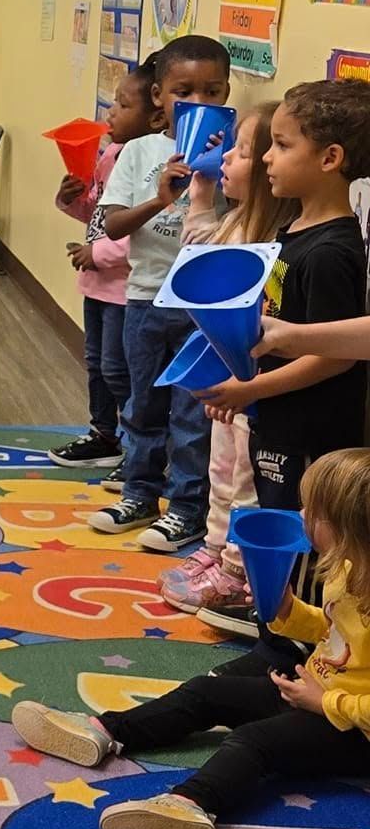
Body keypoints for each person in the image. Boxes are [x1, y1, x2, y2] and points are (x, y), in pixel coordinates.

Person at [10, 447, 370, 829]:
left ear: (348, 528)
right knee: (205, 691)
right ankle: (105, 730)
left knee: (256, 741)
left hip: (355, 730)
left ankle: (190, 805)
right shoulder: (346, 570)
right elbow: (336, 630)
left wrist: (327, 704)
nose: (301, 516)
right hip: (318, 693)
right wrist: (290, 613)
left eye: (313, 512)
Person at [191, 77, 370, 657]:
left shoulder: (333, 250)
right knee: (277, 534)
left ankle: (306, 656)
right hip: (278, 423)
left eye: (282, 144)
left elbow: (334, 358)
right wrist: (247, 388)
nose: (267, 156)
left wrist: (252, 389)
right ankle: (278, 642)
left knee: (308, 547)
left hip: (312, 435)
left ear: (330, 159)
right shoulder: (291, 232)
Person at [88, 35, 232, 549]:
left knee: (193, 414)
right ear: (158, 96)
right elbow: (112, 227)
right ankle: (140, 493)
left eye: (212, 92)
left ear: (227, 94)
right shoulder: (138, 152)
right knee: (143, 403)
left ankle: (188, 507)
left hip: (204, 307)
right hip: (146, 296)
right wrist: (159, 197)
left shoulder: (236, 157)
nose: (198, 103)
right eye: (183, 91)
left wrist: (217, 178)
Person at [158, 102, 294, 630]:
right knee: (222, 468)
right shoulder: (237, 219)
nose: (226, 159)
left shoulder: (273, 241)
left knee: (246, 478)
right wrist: (200, 192)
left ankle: (239, 571)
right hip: (226, 378)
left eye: (238, 151)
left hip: (256, 384)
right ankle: (217, 548)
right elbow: (196, 245)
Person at [48, 63, 155, 473]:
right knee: (96, 363)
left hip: (125, 289)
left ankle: (138, 446)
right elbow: (100, 215)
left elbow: (145, 230)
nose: (111, 113)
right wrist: (71, 199)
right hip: (97, 285)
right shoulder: (110, 154)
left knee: (117, 369)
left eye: (123, 105)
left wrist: (100, 254)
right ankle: (104, 435)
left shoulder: (151, 165)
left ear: (156, 116)